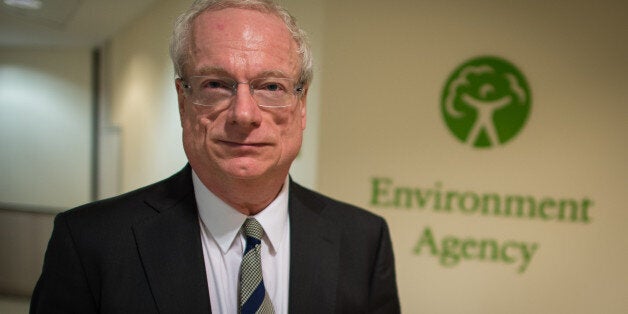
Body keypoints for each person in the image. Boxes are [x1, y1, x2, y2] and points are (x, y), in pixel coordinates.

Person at [30, 0, 400, 313]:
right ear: (182, 101)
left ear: (301, 105)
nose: (244, 114)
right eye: (216, 85)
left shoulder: (364, 241)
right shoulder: (89, 243)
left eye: (272, 86)